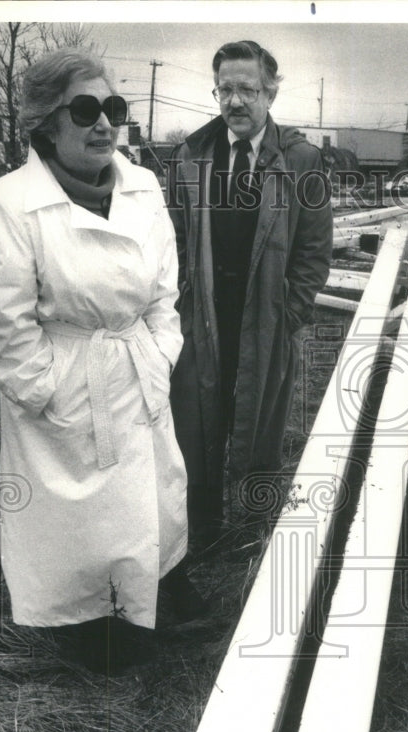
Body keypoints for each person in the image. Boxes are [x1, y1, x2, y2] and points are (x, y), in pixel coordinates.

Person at [0, 48, 201, 670]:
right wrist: (43, 388)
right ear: (47, 122)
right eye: (85, 110)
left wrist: (160, 351)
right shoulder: (9, 200)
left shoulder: (143, 185)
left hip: (135, 362)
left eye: (114, 108)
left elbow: (165, 290)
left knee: (154, 491)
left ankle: (156, 591)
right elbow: (4, 319)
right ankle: (85, 625)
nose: (105, 123)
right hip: (67, 374)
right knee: (79, 515)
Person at [166, 39, 333, 547]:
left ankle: (255, 531)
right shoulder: (191, 155)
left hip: (267, 313)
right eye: (226, 89)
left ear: (271, 92)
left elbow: (313, 251)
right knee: (197, 419)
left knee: (261, 419)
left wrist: (291, 313)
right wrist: (180, 302)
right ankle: (202, 529)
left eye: (248, 89)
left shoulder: (301, 160)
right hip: (206, 312)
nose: (235, 101)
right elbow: (172, 238)